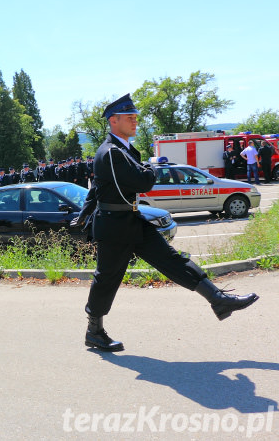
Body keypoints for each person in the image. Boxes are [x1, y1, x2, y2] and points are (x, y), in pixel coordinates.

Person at [81, 93, 258, 352]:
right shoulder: (110, 153)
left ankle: (218, 299)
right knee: (107, 278)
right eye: (129, 117)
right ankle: (94, 331)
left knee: (172, 259)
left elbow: (97, 188)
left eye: (135, 117)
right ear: (113, 120)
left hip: (130, 219)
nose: (135, 121)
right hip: (113, 225)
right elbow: (143, 182)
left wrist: (84, 213)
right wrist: (152, 167)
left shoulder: (123, 150)